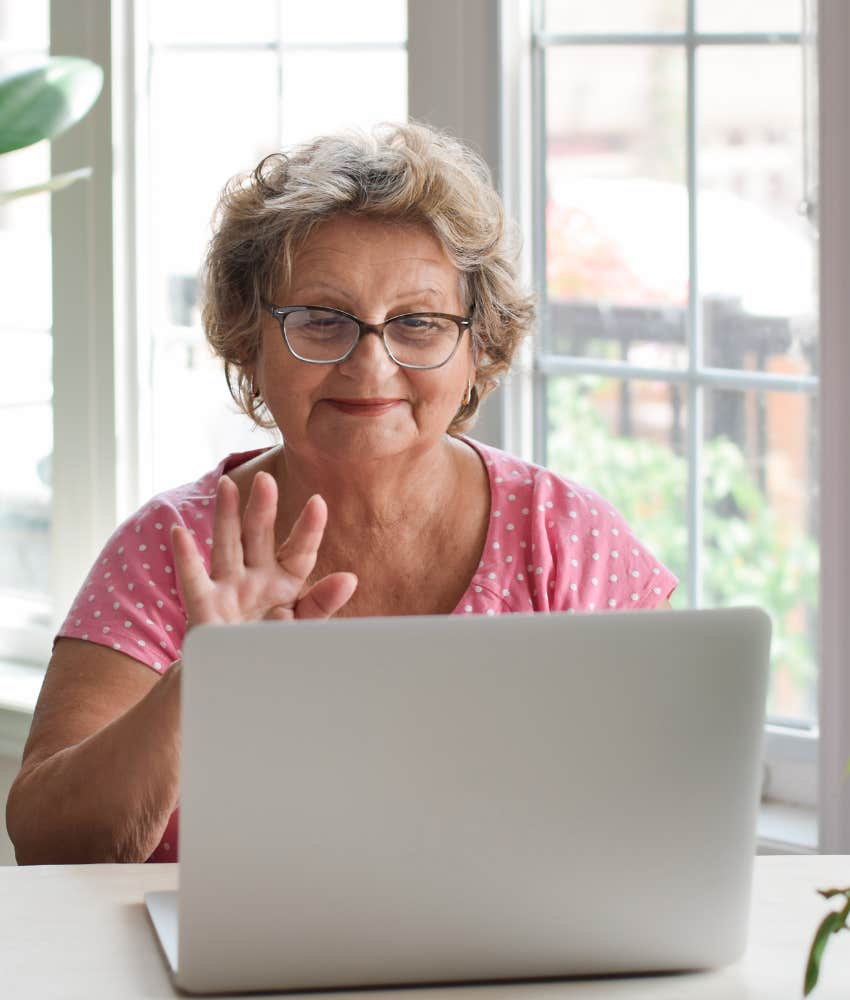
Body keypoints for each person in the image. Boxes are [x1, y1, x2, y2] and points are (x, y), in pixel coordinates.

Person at [6, 123, 676, 865]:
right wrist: (203, 684)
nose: (371, 364)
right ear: (247, 341)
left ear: (479, 347)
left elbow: (674, 795)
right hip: (226, 976)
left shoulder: (563, 536)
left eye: (418, 324)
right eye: (321, 321)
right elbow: (45, 841)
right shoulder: (172, 547)